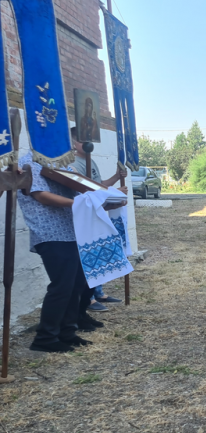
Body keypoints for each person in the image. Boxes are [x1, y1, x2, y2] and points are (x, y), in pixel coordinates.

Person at [16, 153, 103, 353]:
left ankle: (67, 331)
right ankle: (45, 337)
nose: (71, 147)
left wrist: (103, 197)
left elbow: (81, 187)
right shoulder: (30, 160)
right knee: (62, 285)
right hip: (49, 232)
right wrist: (81, 204)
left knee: (77, 283)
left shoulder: (60, 162)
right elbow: (40, 195)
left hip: (70, 230)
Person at [69, 127, 127, 311]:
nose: (85, 143)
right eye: (79, 140)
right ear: (72, 142)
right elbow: (85, 191)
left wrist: (116, 178)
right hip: (85, 214)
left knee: (100, 250)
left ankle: (98, 291)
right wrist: (112, 194)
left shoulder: (90, 160)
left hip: (97, 211)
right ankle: (89, 299)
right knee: (88, 255)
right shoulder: (71, 164)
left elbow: (98, 185)